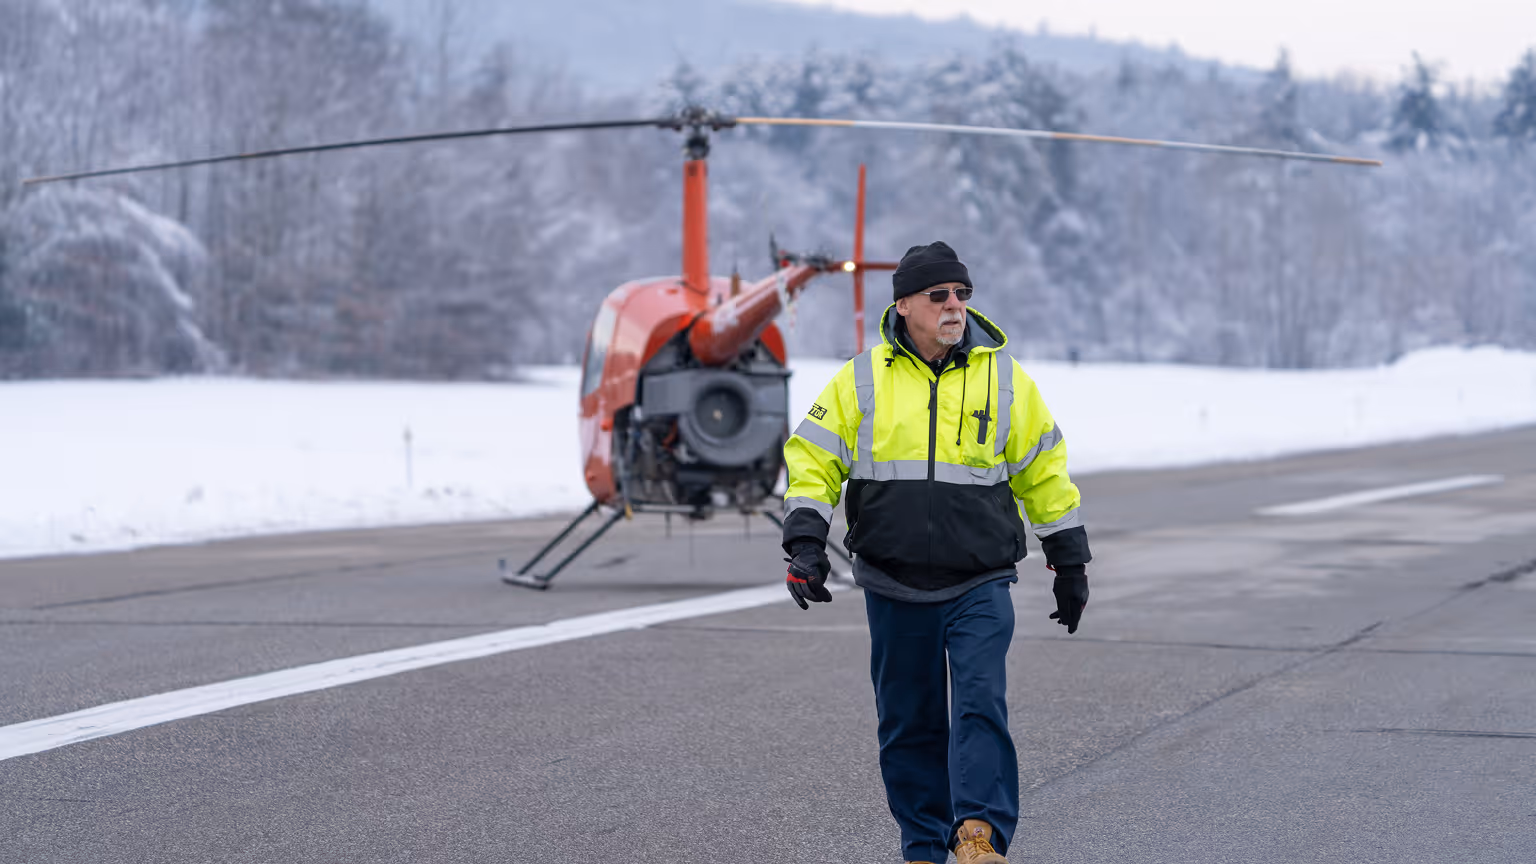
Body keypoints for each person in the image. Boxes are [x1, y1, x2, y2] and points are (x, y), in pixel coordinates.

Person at [780, 241, 1092, 864]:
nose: (955, 306)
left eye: (962, 295)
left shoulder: (1004, 377)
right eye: (939, 296)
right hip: (893, 583)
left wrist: (1069, 557)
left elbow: (1042, 468)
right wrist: (806, 545)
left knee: (980, 705)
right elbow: (813, 462)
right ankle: (922, 846)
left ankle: (978, 833)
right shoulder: (861, 379)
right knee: (909, 726)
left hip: (980, 580)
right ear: (905, 305)